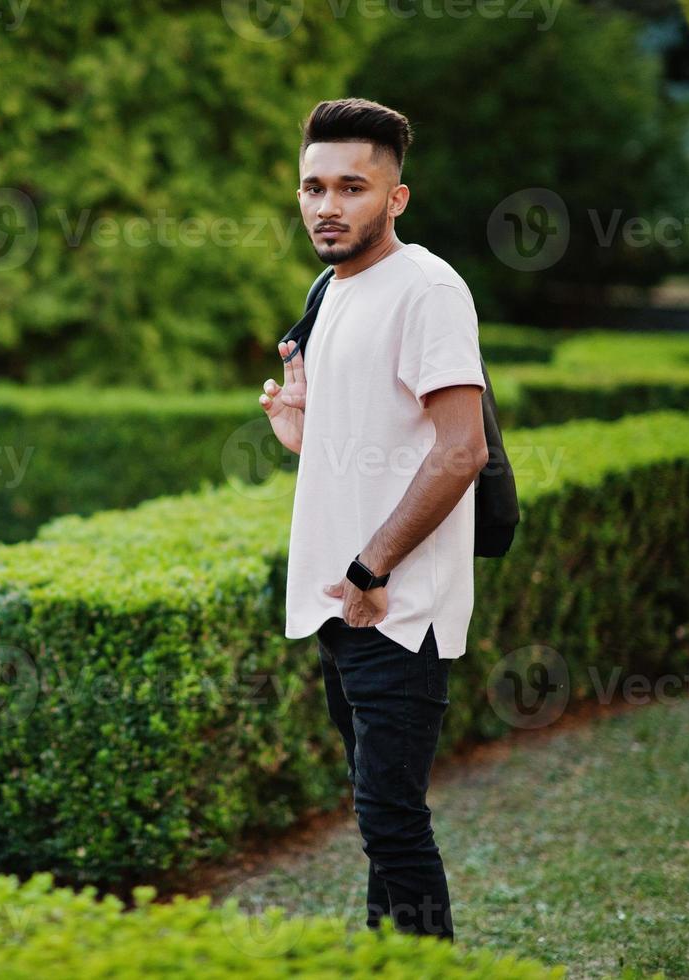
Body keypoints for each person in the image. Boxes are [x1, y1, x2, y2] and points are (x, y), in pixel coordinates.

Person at [258, 97, 489, 943]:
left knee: (391, 821)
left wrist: (371, 571)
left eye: (350, 187)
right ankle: (385, 965)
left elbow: (459, 451)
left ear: (395, 197)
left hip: (392, 606)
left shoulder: (426, 288)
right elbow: (373, 442)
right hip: (339, 601)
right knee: (375, 819)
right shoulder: (329, 287)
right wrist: (300, 432)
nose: (325, 205)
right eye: (311, 187)